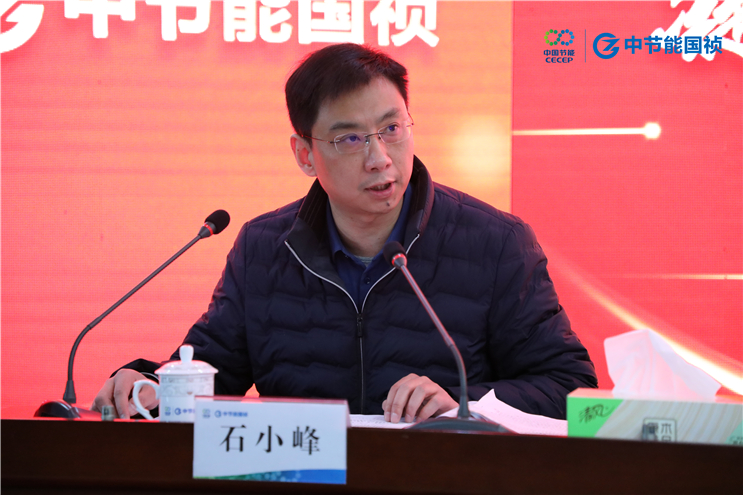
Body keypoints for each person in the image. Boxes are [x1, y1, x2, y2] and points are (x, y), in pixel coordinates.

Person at [92, 43, 597, 423]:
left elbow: (568, 386)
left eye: (392, 129)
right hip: (301, 477)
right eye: (350, 139)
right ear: (305, 154)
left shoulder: (494, 242)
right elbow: (212, 368)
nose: (380, 158)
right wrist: (150, 384)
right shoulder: (264, 248)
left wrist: (465, 405)